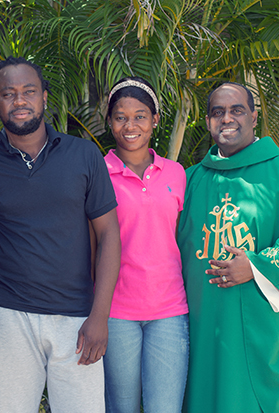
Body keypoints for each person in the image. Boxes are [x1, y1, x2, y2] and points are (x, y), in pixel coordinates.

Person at [0, 56, 121, 413]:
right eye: (8, 94)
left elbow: (110, 236)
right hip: (8, 315)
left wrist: (99, 316)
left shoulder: (83, 154)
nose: (19, 101)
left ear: (44, 98)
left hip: (78, 317)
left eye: (29, 92)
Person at [177, 82, 279, 413]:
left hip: (265, 336)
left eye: (236, 110)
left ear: (254, 117)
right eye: (218, 112)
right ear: (206, 121)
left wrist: (257, 267)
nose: (227, 118)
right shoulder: (188, 181)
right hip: (203, 332)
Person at [102, 77, 189, 413]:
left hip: (169, 310)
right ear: (110, 122)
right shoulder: (97, 172)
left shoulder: (177, 173)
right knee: (121, 408)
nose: (130, 125)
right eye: (121, 116)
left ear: (155, 120)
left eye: (140, 115)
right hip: (116, 311)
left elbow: (181, 237)